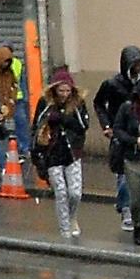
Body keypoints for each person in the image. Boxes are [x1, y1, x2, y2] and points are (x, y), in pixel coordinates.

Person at [94, 46, 140, 238]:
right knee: (124, 176)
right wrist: (107, 124)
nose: (137, 68)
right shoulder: (112, 84)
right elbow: (99, 103)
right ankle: (126, 209)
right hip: (121, 133)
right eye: (134, 64)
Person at [33, 75, 93, 239]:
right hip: (52, 153)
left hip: (72, 153)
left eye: (67, 91)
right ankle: (64, 227)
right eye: (61, 90)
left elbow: (83, 125)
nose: (64, 94)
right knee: (60, 193)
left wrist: (65, 118)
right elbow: (37, 126)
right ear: (54, 90)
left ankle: (72, 217)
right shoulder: (45, 103)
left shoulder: (78, 103)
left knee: (75, 193)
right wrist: (37, 154)